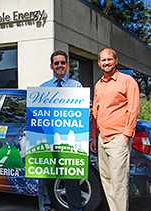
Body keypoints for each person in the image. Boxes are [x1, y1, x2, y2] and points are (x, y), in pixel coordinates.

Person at [90, 48, 140, 211]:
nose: (106, 63)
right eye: (103, 60)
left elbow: (134, 108)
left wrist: (127, 133)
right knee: (107, 180)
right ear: (99, 63)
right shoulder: (99, 84)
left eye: (109, 59)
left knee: (119, 183)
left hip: (118, 137)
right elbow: (96, 112)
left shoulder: (127, 81)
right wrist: (94, 136)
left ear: (115, 61)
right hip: (102, 139)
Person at [38, 50, 83, 211]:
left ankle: (75, 209)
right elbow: (38, 115)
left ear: (67, 65)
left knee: (72, 179)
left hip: (70, 141)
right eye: (56, 63)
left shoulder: (76, 86)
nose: (59, 65)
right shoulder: (43, 88)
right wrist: (30, 116)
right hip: (48, 141)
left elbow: (82, 113)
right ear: (51, 66)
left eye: (62, 62)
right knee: (46, 180)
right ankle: (47, 208)